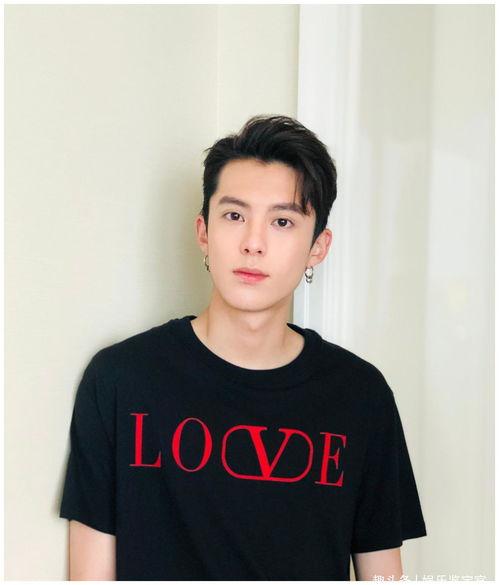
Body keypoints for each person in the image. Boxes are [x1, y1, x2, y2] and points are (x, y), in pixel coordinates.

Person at [59, 114, 427, 580]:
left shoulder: (361, 396)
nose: (253, 243)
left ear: (318, 247)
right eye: (234, 216)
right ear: (203, 232)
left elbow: (383, 572)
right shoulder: (120, 380)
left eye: (282, 221)